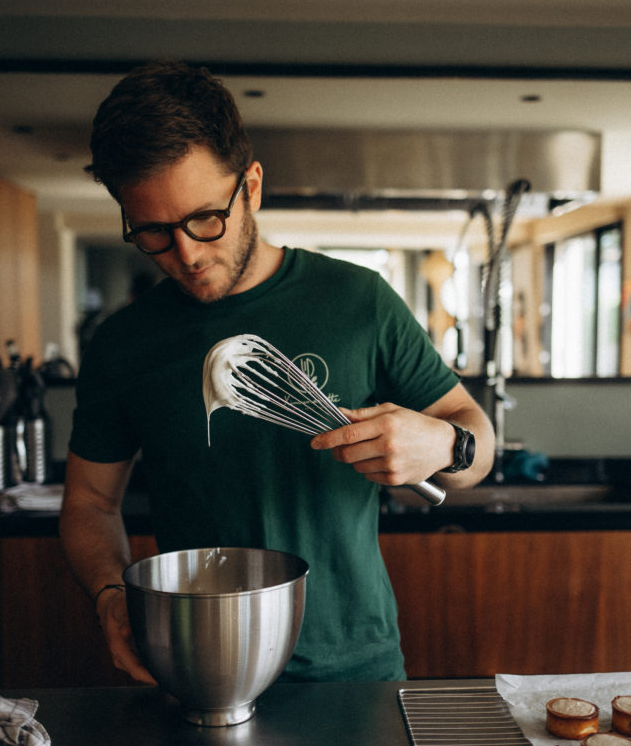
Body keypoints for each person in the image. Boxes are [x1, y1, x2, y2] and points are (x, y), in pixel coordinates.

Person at [59, 60, 495, 685]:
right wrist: (108, 596)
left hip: (357, 671)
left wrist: (447, 446)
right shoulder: (124, 342)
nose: (185, 254)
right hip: (193, 669)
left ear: (252, 187)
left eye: (205, 218)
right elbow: (90, 502)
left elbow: (476, 441)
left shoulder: (358, 302)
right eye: (152, 232)